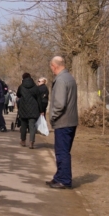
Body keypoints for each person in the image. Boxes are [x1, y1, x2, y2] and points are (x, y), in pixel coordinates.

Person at [48, 56, 78, 189]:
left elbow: (60, 104)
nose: (51, 69)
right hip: (70, 120)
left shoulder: (60, 80)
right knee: (62, 151)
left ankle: (64, 180)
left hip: (63, 121)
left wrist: (53, 116)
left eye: (51, 67)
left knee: (62, 152)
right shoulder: (70, 78)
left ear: (54, 66)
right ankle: (59, 177)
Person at [16, 73, 41, 148]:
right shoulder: (35, 87)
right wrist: (41, 110)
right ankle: (31, 142)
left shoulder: (21, 87)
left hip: (23, 108)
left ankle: (23, 141)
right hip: (33, 108)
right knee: (32, 126)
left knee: (23, 125)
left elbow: (18, 95)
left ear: (23, 78)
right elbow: (38, 99)